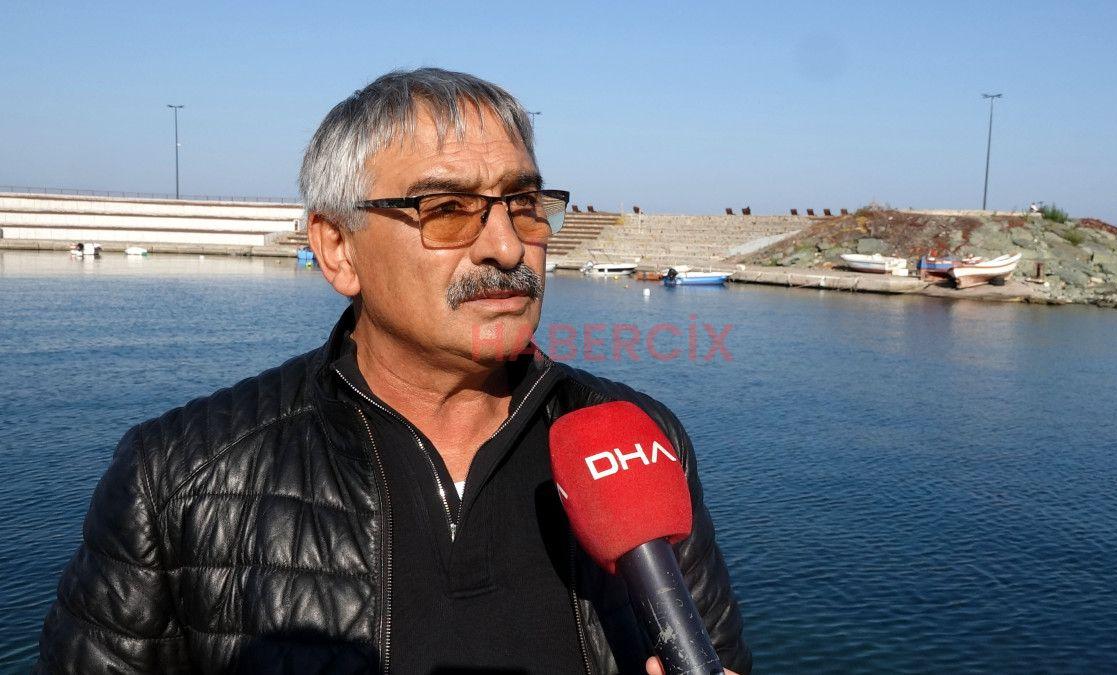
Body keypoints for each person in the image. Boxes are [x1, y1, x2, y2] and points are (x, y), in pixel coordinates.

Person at [35, 68, 750, 674]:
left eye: (523, 204)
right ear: (338, 249)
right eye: (447, 209)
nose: (506, 246)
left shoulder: (642, 440)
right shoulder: (175, 476)